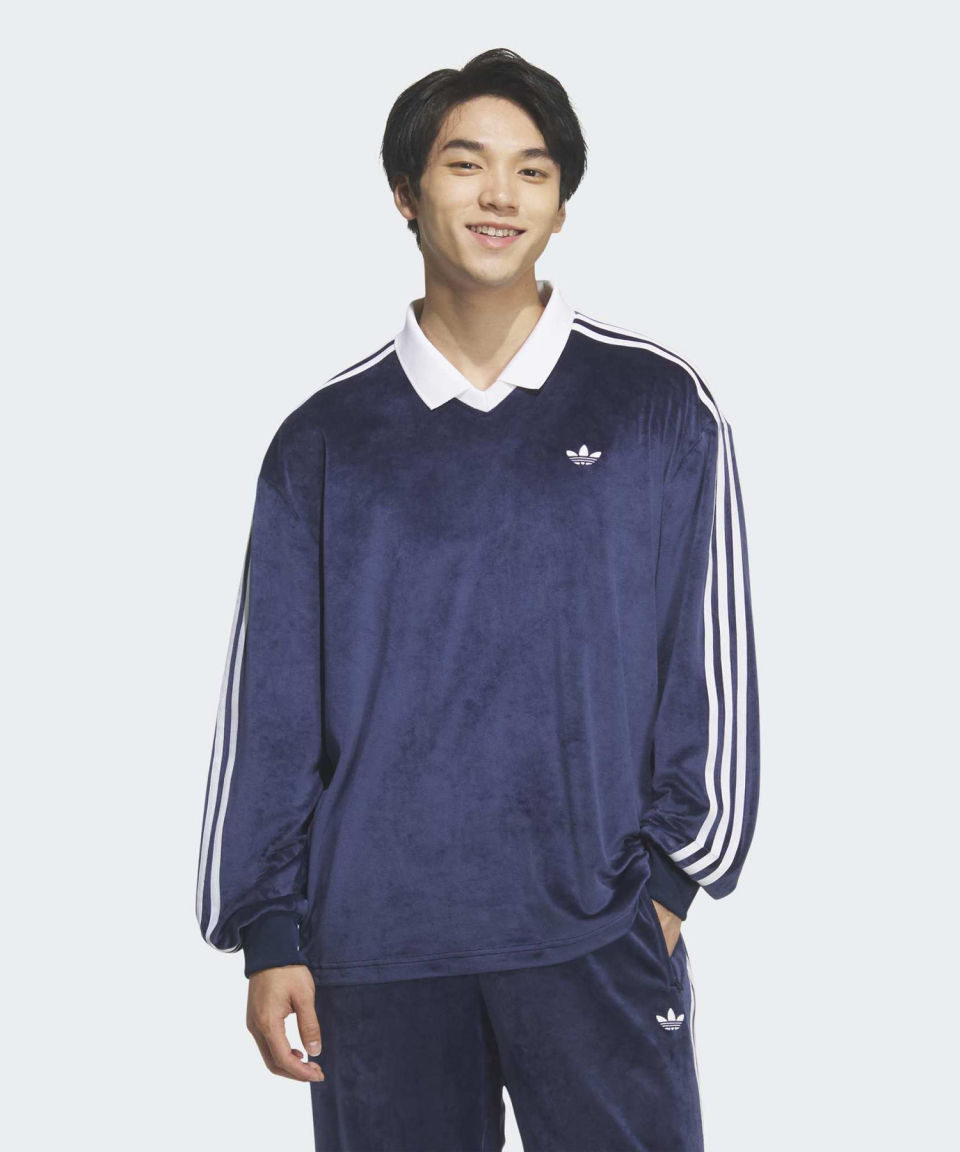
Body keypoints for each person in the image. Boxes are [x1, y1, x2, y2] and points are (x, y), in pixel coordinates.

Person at [195, 47, 760, 1152]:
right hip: (377, 952)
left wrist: (665, 887)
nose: (501, 195)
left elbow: (711, 666)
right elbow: (268, 709)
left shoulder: (656, 406)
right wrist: (268, 930)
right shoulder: (325, 439)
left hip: (596, 937)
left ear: (561, 204)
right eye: (466, 164)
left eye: (532, 171)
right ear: (406, 193)